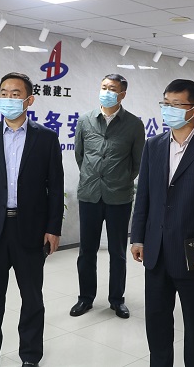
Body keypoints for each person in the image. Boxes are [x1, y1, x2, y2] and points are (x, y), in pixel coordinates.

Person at [130, 79, 194, 367]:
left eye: (176, 105)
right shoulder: (153, 146)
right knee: (157, 324)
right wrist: (137, 237)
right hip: (156, 252)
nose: (169, 110)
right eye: (166, 104)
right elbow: (144, 196)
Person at [0, 72, 64, 367]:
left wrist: (53, 228)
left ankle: (30, 355)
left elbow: (55, 187)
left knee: (32, 298)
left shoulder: (46, 138)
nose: (8, 99)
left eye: (15, 94)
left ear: (29, 100)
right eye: (4, 93)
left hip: (30, 229)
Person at [70, 74, 145, 319]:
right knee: (87, 251)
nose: (106, 92)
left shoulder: (134, 124)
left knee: (118, 252)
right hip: (90, 194)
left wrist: (118, 179)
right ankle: (85, 298)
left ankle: (117, 300)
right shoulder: (85, 120)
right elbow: (80, 155)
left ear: (122, 94)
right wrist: (94, 177)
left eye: (112, 89)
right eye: (103, 87)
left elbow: (137, 163)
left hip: (119, 197)